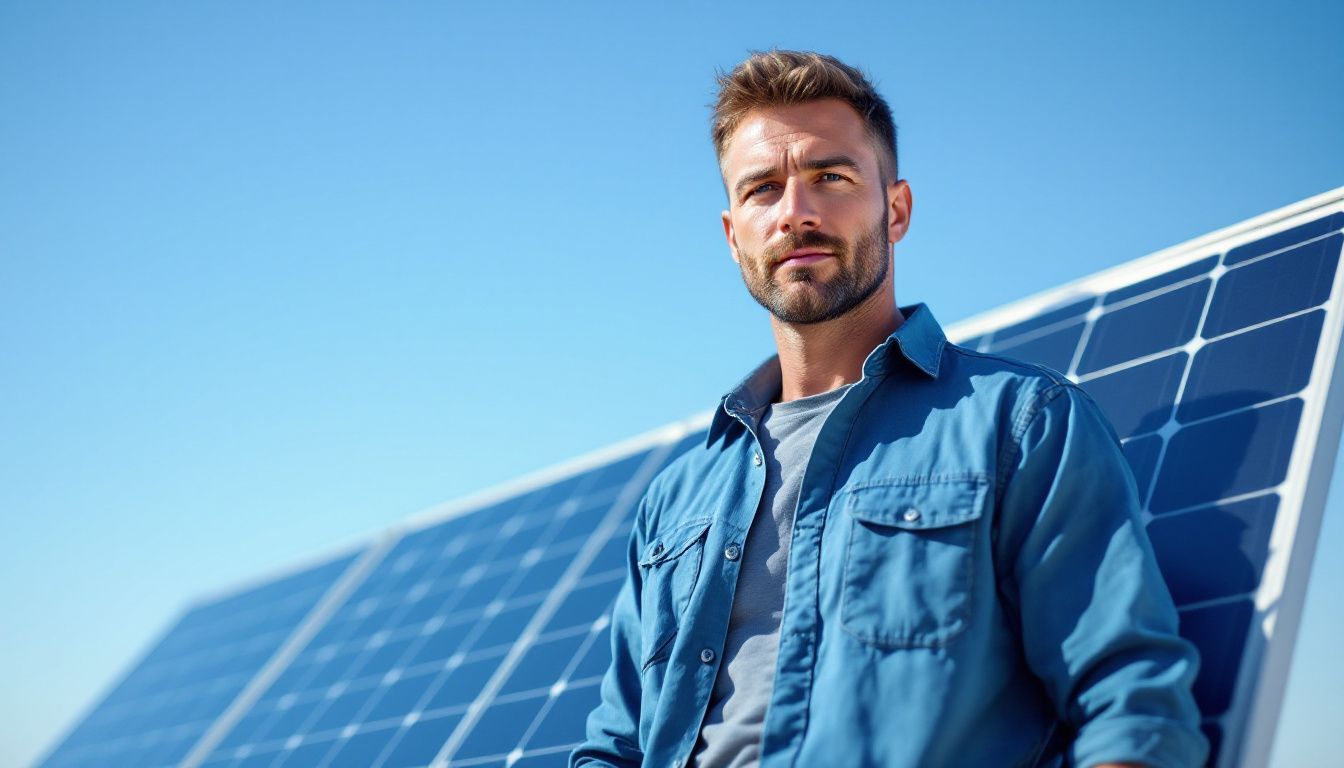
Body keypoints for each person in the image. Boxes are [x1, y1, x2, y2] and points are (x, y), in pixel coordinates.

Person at [571, 50, 1207, 768]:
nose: (795, 214)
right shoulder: (675, 501)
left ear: (895, 209)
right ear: (732, 235)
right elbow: (616, 747)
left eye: (830, 178)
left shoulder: (1021, 426)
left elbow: (1129, 704)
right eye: (762, 190)